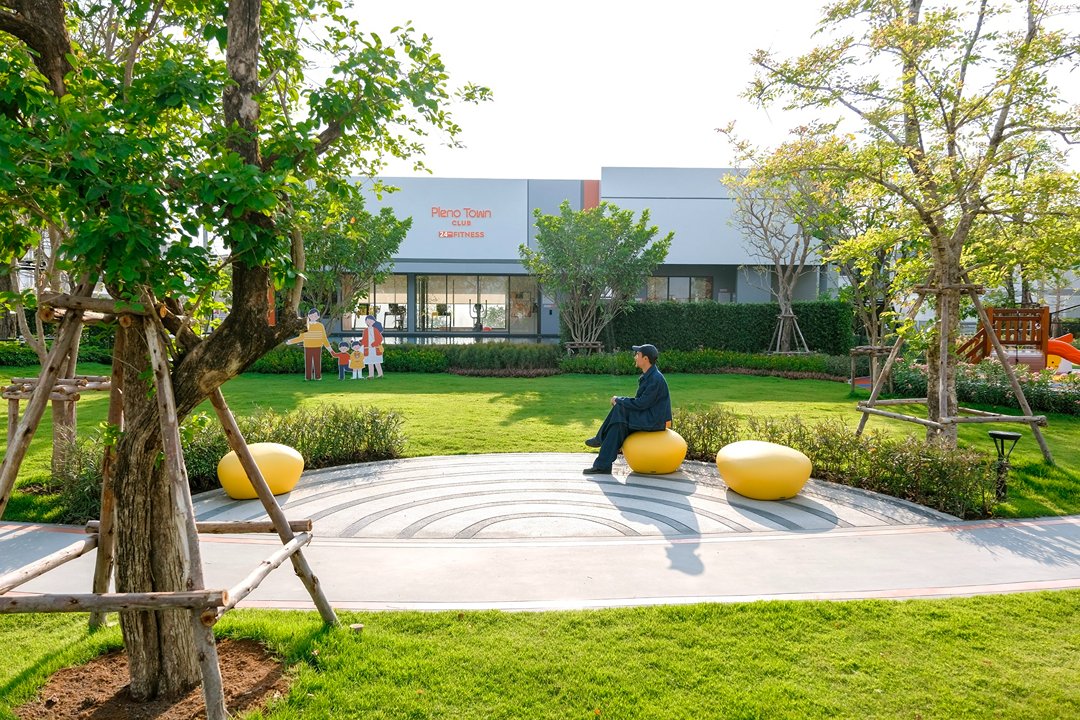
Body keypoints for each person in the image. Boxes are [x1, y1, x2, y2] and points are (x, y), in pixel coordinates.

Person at [582, 344, 671, 475]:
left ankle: (600, 441)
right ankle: (602, 465)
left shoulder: (655, 379)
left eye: (637, 355)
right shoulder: (649, 376)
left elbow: (641, 404)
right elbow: (641, 403)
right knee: (617, 426)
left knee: (619, 409)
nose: (635, 357)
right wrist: (620, 401)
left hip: (655, 421)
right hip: (647, 416)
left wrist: (618, 400)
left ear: (645, 359)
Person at [285, 308, 332, 381]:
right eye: (312, 315)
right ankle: (308, 377)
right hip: (308, 347)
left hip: (317, 347)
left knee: (317, 362)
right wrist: (291, 341)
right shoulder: (305, 326)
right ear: (309, 316)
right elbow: (301, 338)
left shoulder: (320, 326)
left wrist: (329, 349)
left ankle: (318, 377)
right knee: (308, 362)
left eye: (315, 315)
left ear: (318, 317)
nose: (313, 317)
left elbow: (324, 338)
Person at [361, 314, 384, 379]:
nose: (369, 322)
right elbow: (364, 339)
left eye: (370, 320)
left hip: (375, 349)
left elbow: (380, 339)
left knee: (377, 362)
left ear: (374, 321)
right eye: (367, 320)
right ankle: (371, 375)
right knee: (369, 362)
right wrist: (361, 344)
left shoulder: (376, 330)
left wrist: (373, 344)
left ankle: (380, 374)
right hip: (368, 349)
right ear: (366, 322)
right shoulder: (365, 331)